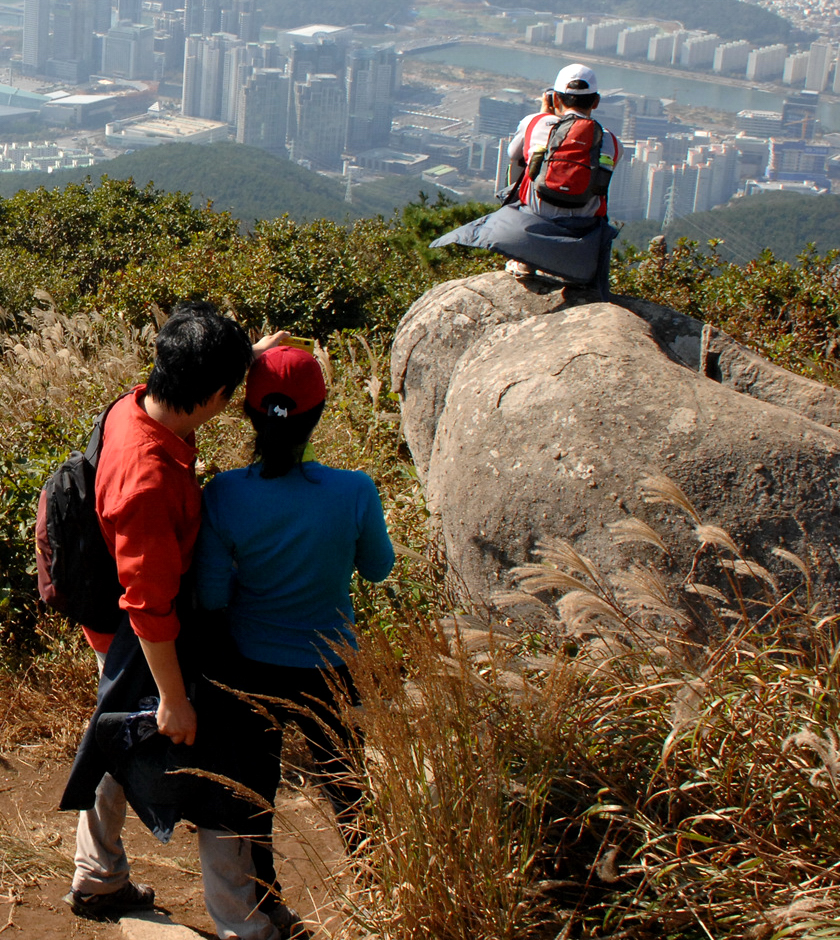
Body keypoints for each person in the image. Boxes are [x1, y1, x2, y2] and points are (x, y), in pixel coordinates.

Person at [58, 302, 286, 924]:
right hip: (137, 629)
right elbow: (148, 604)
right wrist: (173, 697)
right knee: (154, 738)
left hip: (119, 615)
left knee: (115, 729)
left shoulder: (140, 404)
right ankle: (242, 921)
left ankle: (97, 877)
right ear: (212, 392)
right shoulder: (148, 481)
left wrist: (251, 355)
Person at [190, 344, 397, 935]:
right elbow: (378, 569)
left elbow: (211, 596)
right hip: (329, 665)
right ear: (320, 412)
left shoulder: (224, 494)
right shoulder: (354, 491)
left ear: (249, 413)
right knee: (347, 783)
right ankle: (382, 885)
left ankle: (266, 904)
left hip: (248, 667)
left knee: (254, 792)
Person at [433, 63, 625, 292]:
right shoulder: (613, 143)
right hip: (583, 231)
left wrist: (544, 114)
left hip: (532, 219)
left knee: (522, 159)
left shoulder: (536, 122)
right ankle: (568, 266)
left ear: (555, 99)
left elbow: (513, 154)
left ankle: (524, 259)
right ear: (596, 102)